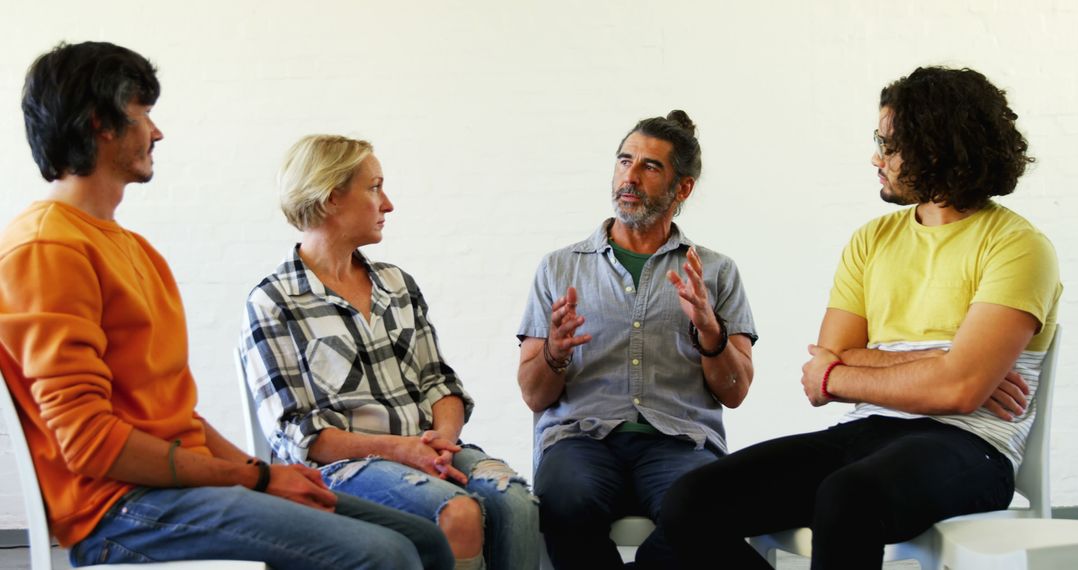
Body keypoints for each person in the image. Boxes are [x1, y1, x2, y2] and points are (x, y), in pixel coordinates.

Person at [0, 41, 453, 570]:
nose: (156, 131)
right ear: (101, 123)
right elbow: (90, 444)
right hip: (118, 511)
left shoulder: (132, 249)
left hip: (168, 492)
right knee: (385, 554)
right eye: (143, 113)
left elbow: (176, 420)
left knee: (424, 540)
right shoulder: (45, 247)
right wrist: (255, 476)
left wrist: (265, 472)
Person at [662, 66, 1062, 569]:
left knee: (849, 495)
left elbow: (957, 393)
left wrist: (862, 370)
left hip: (972, 445)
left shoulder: (1018, 246)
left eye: (889, 145)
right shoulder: (872, 240)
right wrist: (938, 358)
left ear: (937, 148)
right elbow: (820, 375)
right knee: (687, 503)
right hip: (868, 430)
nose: (877, 157)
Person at [238, 134, 540, 570]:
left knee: (516, 503)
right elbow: (297, 435)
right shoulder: (273, 302)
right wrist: (400, 450)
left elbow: (440, 382)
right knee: (457, 511)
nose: (388, 204)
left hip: (425, 450)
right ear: (330, 198)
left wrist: (440, 443)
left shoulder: (397, 285)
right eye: (374, 187)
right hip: (340, 469)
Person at [516, 111, 758, 569]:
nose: (629, 176)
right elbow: (533, 394)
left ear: (682, 188)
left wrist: (710, 330)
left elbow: (736, 390)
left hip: (679, 443)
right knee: (565, 504)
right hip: (579, 440)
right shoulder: (559, 268)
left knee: (706, 512)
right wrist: (555, 352)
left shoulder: (716, 272)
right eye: (624, 160)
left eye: (649, 166)